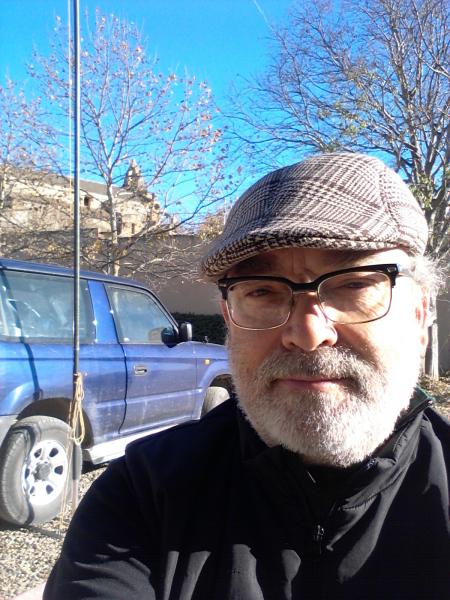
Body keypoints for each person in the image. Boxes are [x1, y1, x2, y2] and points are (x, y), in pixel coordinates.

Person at [44, 152, 449, 600]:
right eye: (261, 291)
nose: (307, 333)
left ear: (419, 315)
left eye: (354, 284)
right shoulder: (142, 497)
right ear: (229, 318)